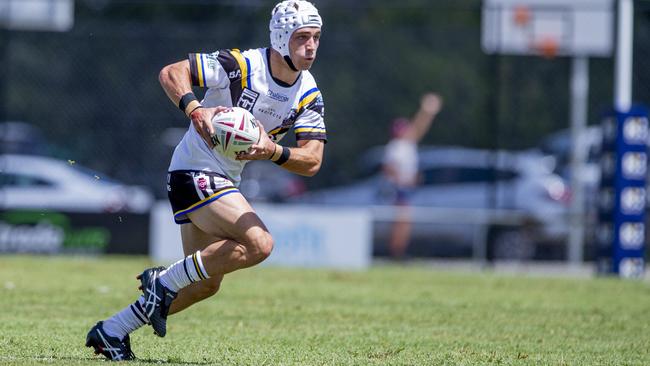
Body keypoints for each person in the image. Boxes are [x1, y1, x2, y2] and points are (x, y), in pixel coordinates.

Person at [85, 1, 327, 361]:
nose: (311, 46)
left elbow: (312, 160)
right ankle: (162, 282)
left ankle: (112, 331)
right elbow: (171, 72)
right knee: (259, 244)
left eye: (316, 37)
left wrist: (272, 150)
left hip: (222, 180)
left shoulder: (307, 93)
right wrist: (194, 108)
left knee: (204, 285)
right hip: (193, 170)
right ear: (280, 38)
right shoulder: (241, 65)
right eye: (302, 37)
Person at [382, 93, 442, 259]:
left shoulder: (406, 145)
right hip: (399, 189)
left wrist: (427, 112)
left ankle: (398, 252)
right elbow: (388, 168)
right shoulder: (396, 146)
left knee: (404, 222)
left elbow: (419, 127)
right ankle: (396, 254)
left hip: (405, 188)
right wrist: (404, 180)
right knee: (401, 222)